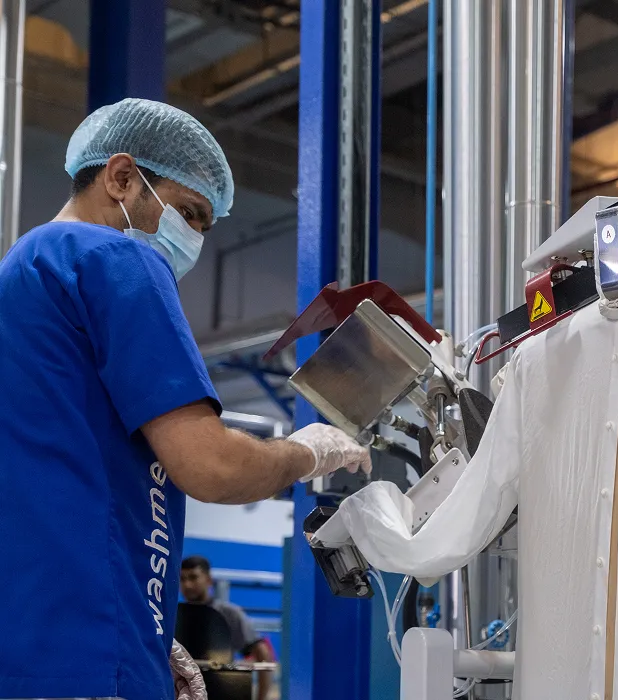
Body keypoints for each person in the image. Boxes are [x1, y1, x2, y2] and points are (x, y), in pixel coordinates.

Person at [0, 98, 371, 700]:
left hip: (35, 648)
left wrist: (142, 631)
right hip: (88, 656)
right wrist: (306, 452)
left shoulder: (24, 271)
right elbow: (213, 467)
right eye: (190, 212)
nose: (194, 239)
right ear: (121, 178)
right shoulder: (115, 257)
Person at [179, 556, 274, 700]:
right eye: (182, 579)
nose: (187, 584)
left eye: (193, 577)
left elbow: (262, 652)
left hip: (220, 692)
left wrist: (261, 698)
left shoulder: (228, 614)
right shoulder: (174, 615)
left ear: (208, 580)